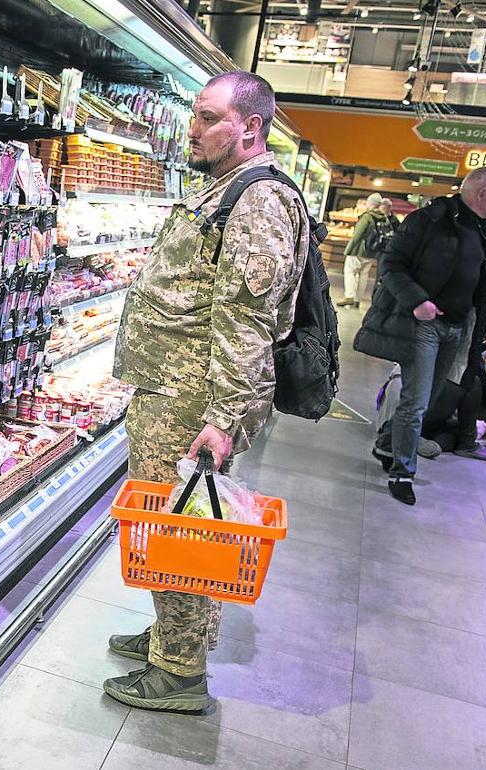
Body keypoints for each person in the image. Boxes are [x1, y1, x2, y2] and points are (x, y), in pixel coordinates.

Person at [105, 71, 309, 712]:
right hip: (175, 390)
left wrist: (223, 420)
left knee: (183, 533)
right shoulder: (226, 189)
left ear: (250, 127)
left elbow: (245, 323)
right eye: (193, 114)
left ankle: (178, 673)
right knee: (179, 526)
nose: (193, 128)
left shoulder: (256, 200)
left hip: (192, 400)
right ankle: (173, 634)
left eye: (208, 117)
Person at [355, 166, 486, 505]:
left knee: (430, 397)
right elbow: (391, 265)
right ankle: (402, 471)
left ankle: (386, 443)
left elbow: (480, 286)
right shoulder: (430, 220)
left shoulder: (484, 231)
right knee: (417, 399)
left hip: (456, 328)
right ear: (481, 194)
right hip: (423, 325)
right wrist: (417, 301)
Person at [337, 192, 389, 309]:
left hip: (360, 250)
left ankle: (349, 296)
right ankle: (358, 300)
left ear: (371, 203)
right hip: (372, 252)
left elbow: (358, 234)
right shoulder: (383, 217)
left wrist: (348, 250)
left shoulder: (367, 216)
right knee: (364, 275)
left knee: (350, 271)